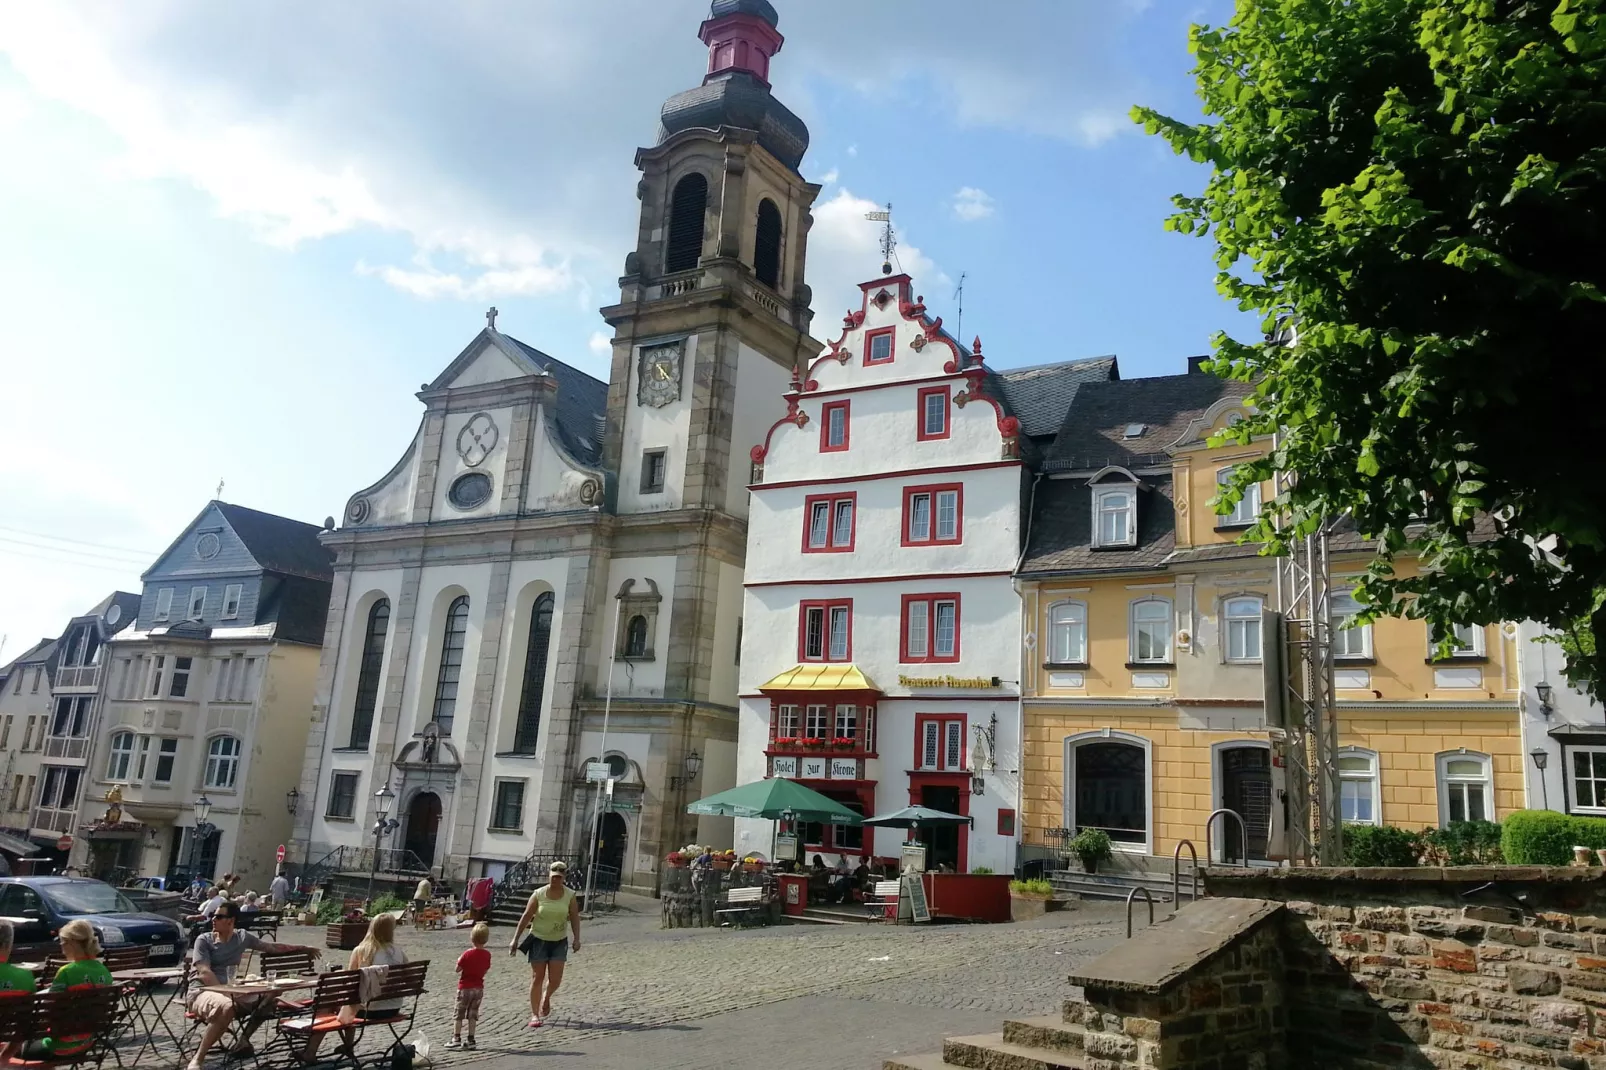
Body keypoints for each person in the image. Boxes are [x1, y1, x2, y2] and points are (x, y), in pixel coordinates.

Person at [185, 901, 323, 1070]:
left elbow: (271, 947)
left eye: (219, 916)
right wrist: (226, 993)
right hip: (202, 991)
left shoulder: (242, 937)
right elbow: (204, 972)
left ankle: (243, 1040)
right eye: (213, 915)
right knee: (227, 1006)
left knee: (270, 1000)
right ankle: (198, 1060)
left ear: (231, 920)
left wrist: (303, 948)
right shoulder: (204, 940)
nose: (213, 919)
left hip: (231, 990)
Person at [16, 919, 114, 1060]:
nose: (61, 947)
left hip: (58, 1045)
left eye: (62, 942)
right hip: (86, 1042)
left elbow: (48, 1007)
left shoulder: (66, 971)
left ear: (72, 943)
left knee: (10, 1046)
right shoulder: (103, 970)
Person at [507, 860, 580, 1028]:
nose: (556, 880)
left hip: (559, 941)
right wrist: (515, 938)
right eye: (553, 877)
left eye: (559, 877)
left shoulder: (570, 895)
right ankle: (534, 1014)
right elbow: (526, 916)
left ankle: (546, 997)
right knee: (537, 977)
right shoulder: (538, 894)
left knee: (556, 979)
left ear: (564, 878)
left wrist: (577, 938)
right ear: (549, 875)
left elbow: (574, 917)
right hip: (538, 939)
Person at [447, 923, 492, 1050]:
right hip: (478, 988)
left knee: (459, 1013)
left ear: (471, 938)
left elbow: (457, 969)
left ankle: (456, 1038)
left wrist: (459, 960)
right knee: (473, 1014)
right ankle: (471, 1039)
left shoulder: (467, 954)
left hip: (465, 987)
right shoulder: (487, 955)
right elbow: (485, 970)